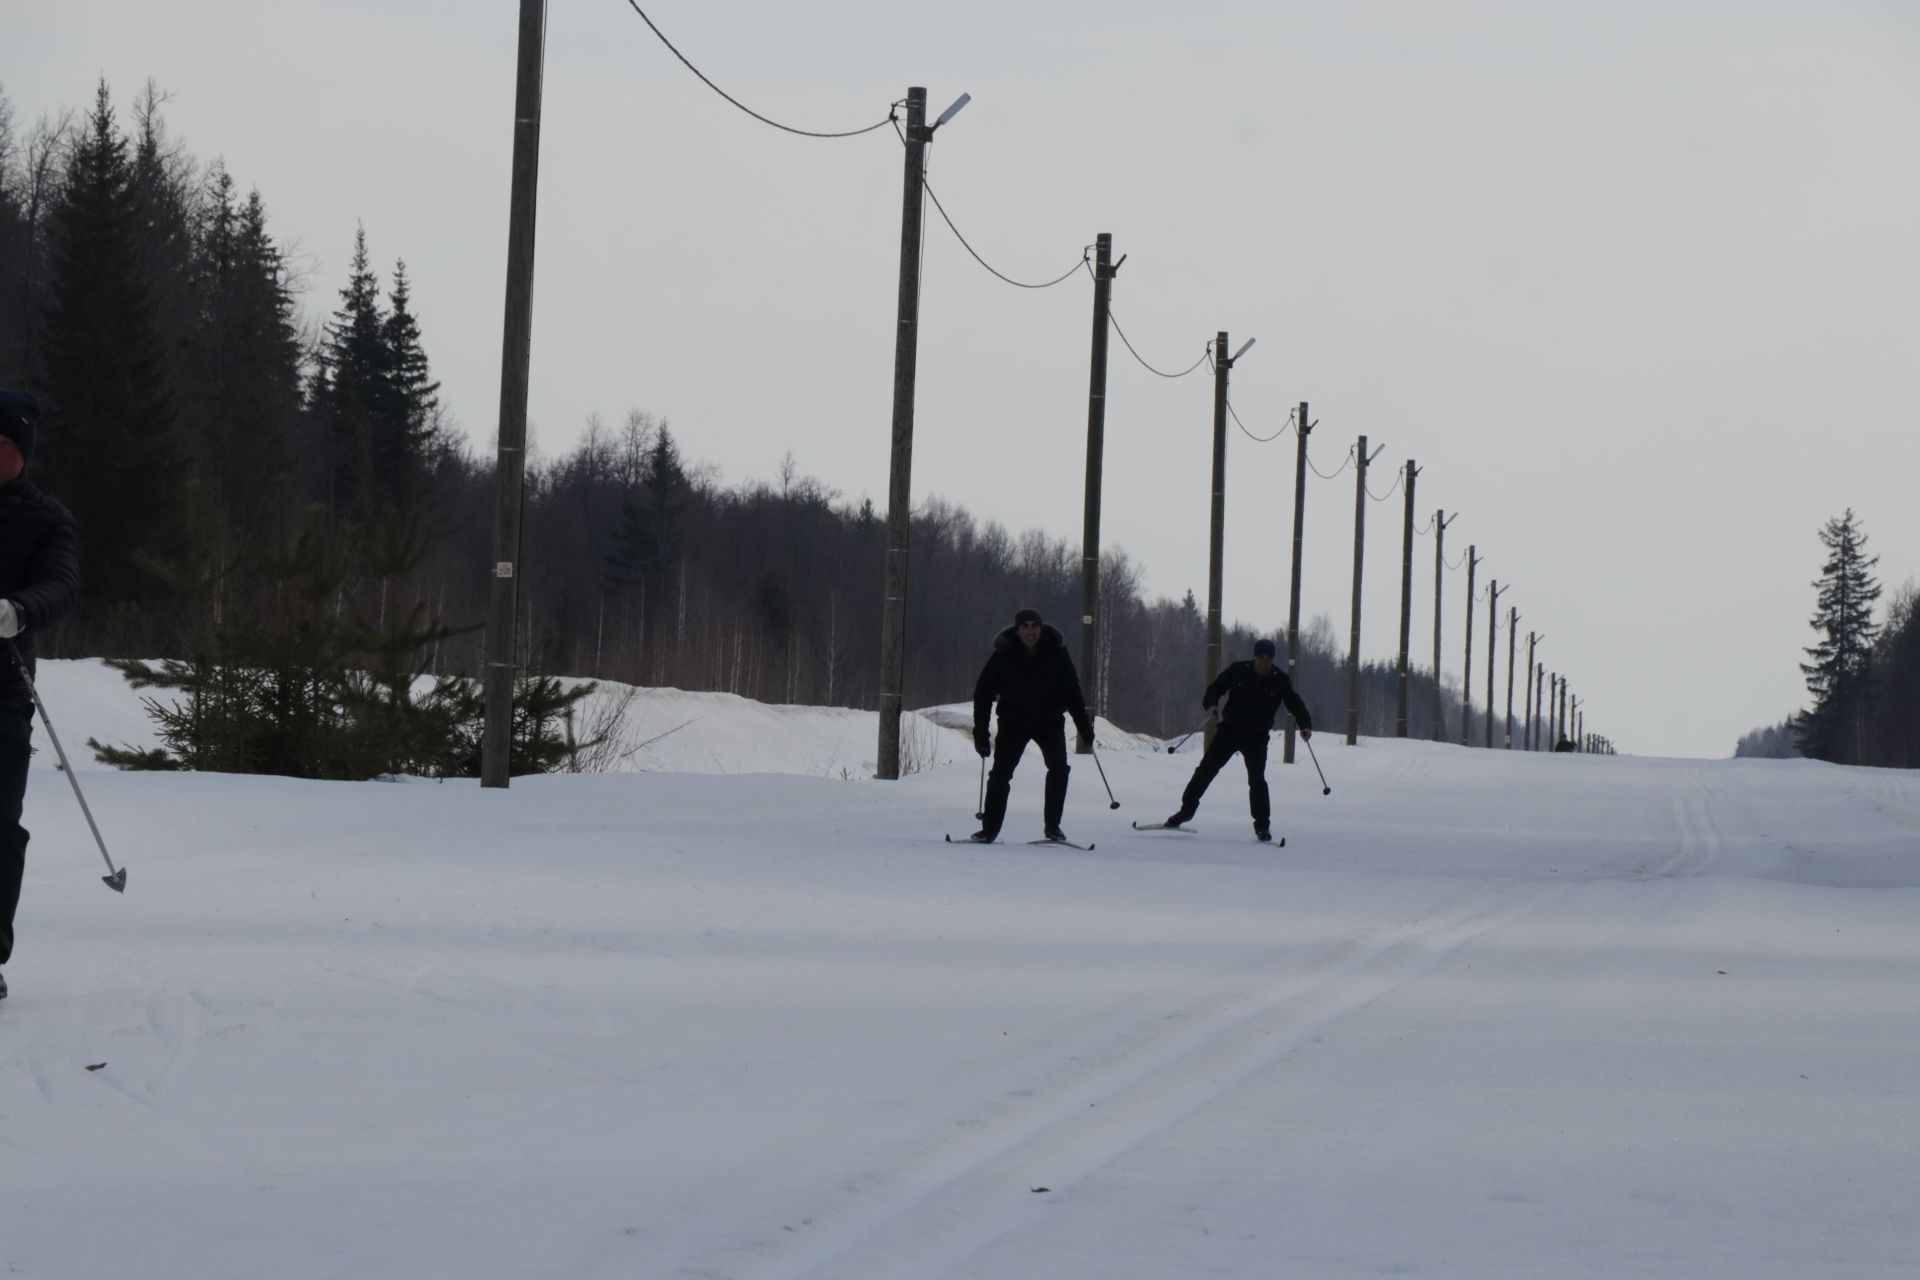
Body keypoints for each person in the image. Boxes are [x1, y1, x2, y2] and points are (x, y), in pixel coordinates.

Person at [0, 390, 80, 1001]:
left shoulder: (48, 518)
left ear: (23, 455)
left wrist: (19, 611)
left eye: (5, 447)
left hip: (5, 687)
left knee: (0, 827)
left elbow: (60, 585)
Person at [968, 607, 1095, 844]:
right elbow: (983, 694)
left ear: (1041, 628)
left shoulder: (1057, 653)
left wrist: (1084, 728)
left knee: (1059, 769)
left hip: (1049, 723)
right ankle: (989, 829)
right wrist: (981, 733)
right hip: (1013, 723)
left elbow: (1072, 693)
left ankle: (1053, 827)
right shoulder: (1003, 655)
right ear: (1017, 630)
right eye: (1024, 626)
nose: (1030, 631)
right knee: (1000, 775)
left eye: (1034, 626)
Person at [1165, 638, 1311, 842]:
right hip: (1229, 731)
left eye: (1269, 658)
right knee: (1205, 771)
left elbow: (1295, 704)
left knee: (1257, 781)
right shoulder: (1238, 670)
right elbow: (1215, 688)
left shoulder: (1280, 680)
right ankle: (1185, 812)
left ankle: (1262, 827)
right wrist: (1211, 705)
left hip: (1257, 738)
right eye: (1261, 657)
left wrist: (1305, 725)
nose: (1264, 662)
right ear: (1254, 656)